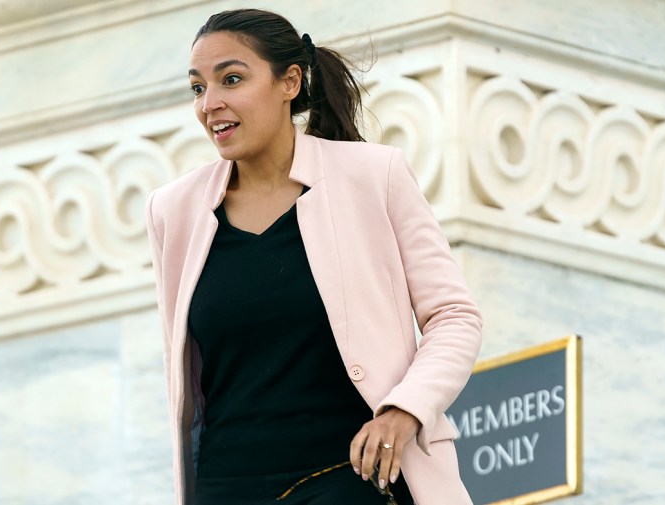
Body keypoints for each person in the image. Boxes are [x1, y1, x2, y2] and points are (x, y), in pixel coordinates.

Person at [145, 8, 482, 505]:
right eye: (198, 88)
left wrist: (405, 409)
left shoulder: (374, 176)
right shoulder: (173, 211)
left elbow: (454, 316)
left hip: (349, 475)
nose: (209, 104)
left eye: (231, 79)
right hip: (225, 484)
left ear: (290, 82)